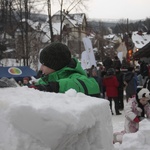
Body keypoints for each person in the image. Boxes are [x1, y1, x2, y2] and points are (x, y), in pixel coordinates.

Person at [34, 42, 100, 97]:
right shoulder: (45, 80)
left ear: (55, 64)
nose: (41, 68)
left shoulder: (75, 76)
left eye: (43, 64)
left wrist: (57, 86)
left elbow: (92, 86)